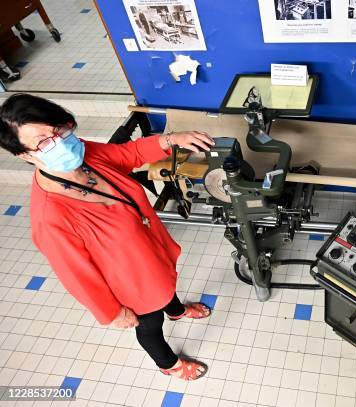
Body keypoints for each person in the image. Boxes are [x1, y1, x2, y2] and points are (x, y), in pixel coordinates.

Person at [0, 94, 214, 381]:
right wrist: (112, 312)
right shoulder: (50, 217)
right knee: (150, 325)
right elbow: (77, 276)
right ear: (24, 155)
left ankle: (176, 310)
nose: (60, 142)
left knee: (166, 282)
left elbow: (129, 154)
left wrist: (173, 139)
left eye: (59, 130)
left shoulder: (85, 155)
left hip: (150, 253)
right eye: (43, 142)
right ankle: (169, 364)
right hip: (131, 284)